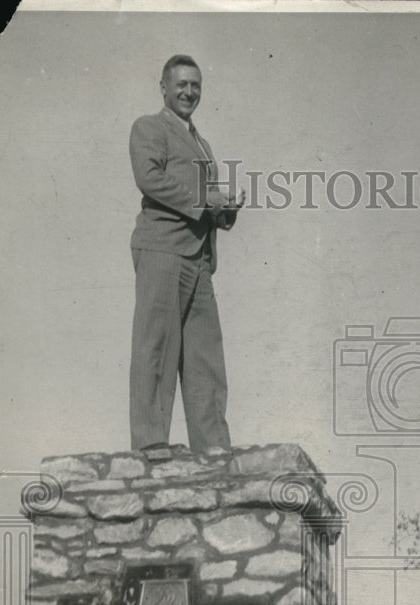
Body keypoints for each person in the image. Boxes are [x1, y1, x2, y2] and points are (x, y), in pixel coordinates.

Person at [128, 54, 244, 455]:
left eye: (195, 86)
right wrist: (204, 199)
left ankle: (213, 449)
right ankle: (151, 442)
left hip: (199, 259)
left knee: (206, 357)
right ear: (164, 87)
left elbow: (205, 204)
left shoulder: (202, 143)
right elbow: (150, 179)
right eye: (181, 85)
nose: (189, 92)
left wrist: (225, 208)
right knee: (156, 346)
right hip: (162, 249)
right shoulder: (148, 127)